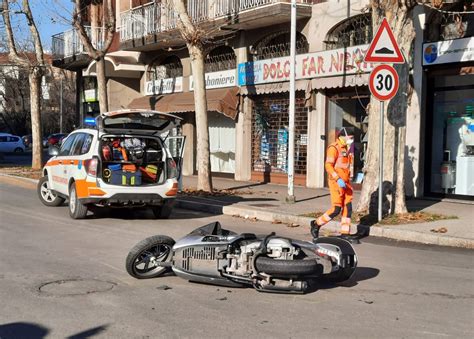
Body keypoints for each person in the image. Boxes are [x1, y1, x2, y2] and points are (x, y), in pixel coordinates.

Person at [311, 127, 357, 242]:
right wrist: (337, 178)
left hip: (346, 183)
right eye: (350, 138)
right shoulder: (334, 148)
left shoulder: (347, 148)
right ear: (344, 136)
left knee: (348, 208)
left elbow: (347, 165)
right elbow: (328, 165)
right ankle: (316, 224)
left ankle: (345, 233)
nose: (351, 140)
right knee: (336, 209)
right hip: (336, 183)